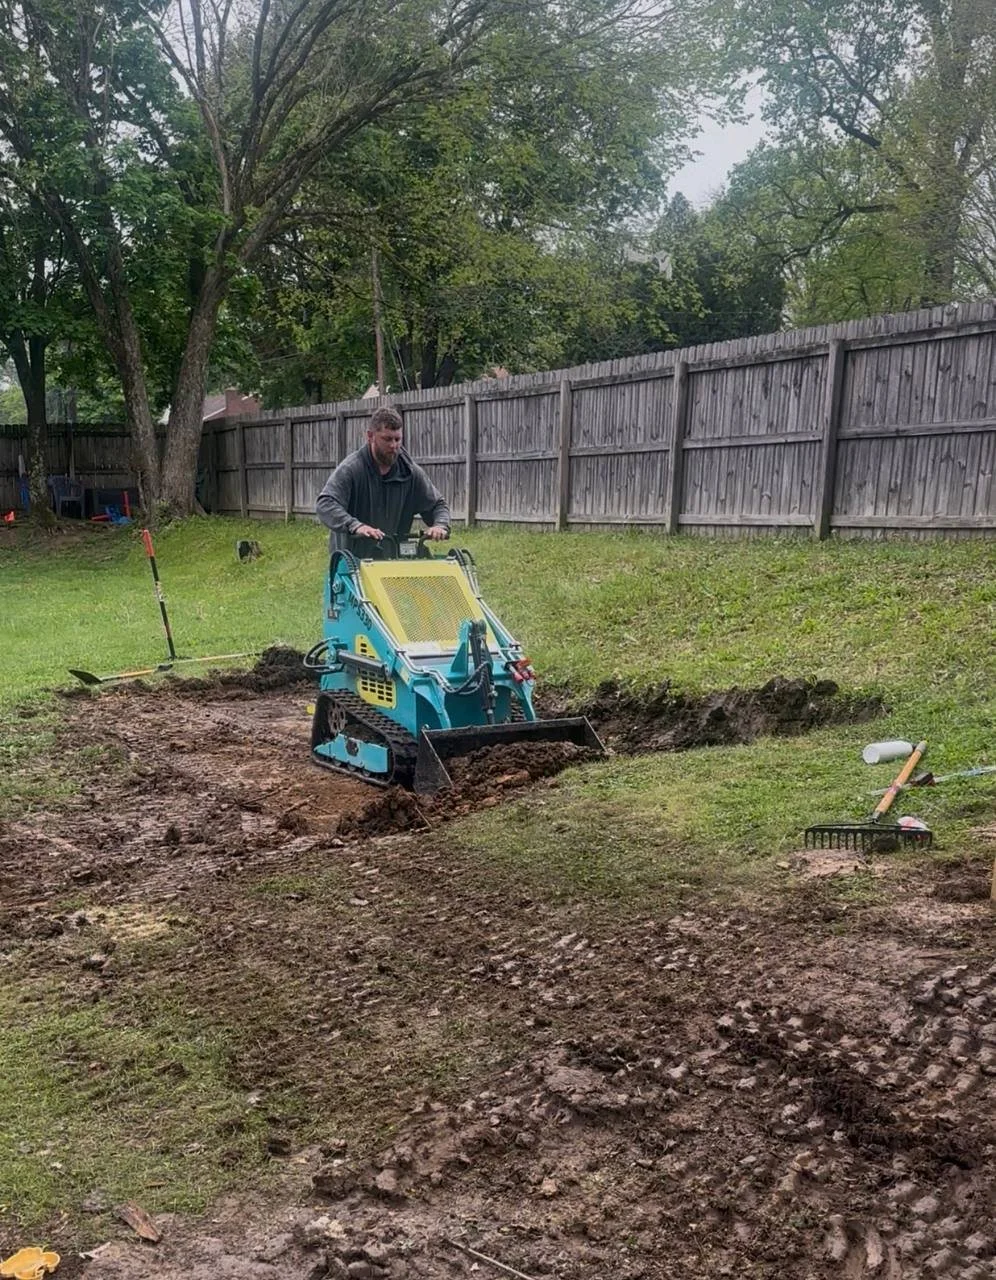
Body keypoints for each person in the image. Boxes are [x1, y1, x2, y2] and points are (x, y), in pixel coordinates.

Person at [316, 405, 451, 558]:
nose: (394, 446)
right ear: (370, 436)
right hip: (352, 564)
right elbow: (325, 503)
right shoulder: (351, 469)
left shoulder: (410, 472)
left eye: (397, 439)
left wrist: (440, 525)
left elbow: (437, 504)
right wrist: (355, 526)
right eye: (387, 439)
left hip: (395, 562)